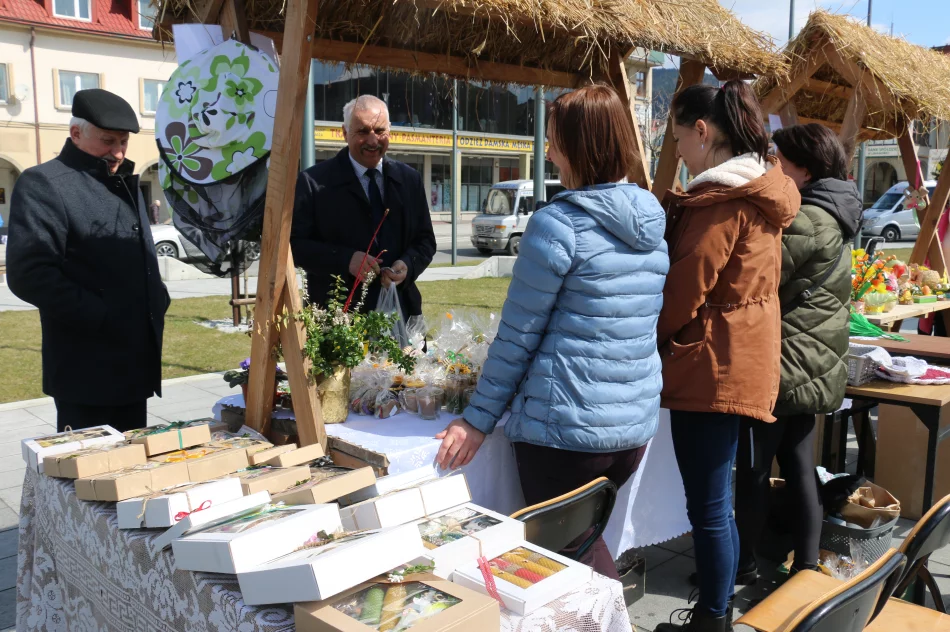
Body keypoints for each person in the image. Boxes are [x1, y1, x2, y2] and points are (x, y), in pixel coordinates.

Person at [433, 84, 670, 579]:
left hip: (567, 433)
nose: (546, 149)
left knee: (567, 560)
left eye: (552, 139)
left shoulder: (556, 224)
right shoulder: (651, 220)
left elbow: (517, 337)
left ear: (578, 145)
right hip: (629, 428)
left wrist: (475, 421)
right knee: (582, 548)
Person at [655, 81, 800, 632]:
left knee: (709, 507)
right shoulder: (758, 190)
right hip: (739, 360)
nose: (679, 152)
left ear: (703, 130)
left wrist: (651, 339)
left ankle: (713, 620)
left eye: (679, 139)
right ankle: (716, 613)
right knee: (721, 502)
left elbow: (684, 290)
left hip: (711, 366)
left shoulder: (721, 200)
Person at [732, 124, 860, 584]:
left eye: (778, 160)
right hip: (811, 365)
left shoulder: (807, 218)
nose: (772, 168)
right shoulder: (836, 214)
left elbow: (759, 273)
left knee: (752, 472)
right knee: (801, 467)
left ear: (803, 170)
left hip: (783, 365)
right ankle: (806, 566)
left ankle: (743, 566)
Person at [7, 89, 169, 433]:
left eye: (123, 141)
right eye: (108, 140)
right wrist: (102, 315)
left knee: (131, 472)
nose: (118, 151)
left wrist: (158, 296)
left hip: (133, 361)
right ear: (76, 133)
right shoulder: (44, 183)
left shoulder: (122, 181)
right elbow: (29, 274)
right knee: (89, 479)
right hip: (87, 367)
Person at [291, 95, 436, 316]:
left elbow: (425, 241)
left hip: (401, 312)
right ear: (344, 133)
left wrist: (408, 265)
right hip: (338, 320)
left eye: (379, 131)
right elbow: (295, 246)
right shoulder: (312, 183)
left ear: (390, 131)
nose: (372, 140)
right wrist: (345, 260)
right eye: (362, 131)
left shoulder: (410, 180)